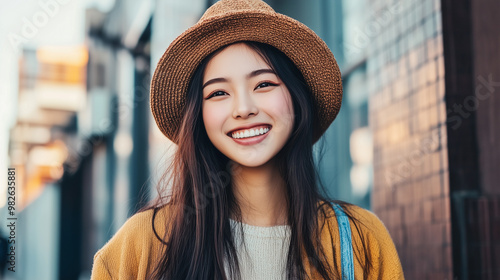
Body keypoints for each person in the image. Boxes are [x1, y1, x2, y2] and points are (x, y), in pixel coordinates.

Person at [91, 0, 404, 279]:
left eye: (264, 84)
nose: (243, 109)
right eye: (218, 93)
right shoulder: (141, 245)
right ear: (198, 116)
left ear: (296, 98)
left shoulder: (360, 239)